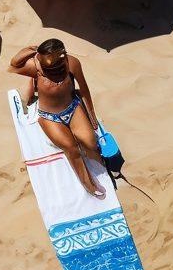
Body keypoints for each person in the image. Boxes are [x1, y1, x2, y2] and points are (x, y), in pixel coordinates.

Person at [9, 39, 105, 199]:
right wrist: (32, 50)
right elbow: (13, 65)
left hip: (72, 109)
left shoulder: (72, 63)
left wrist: (92, 116)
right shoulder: (36, 68)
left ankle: (98, 165)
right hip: (50, 117)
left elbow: (84, 88)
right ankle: (88, 184)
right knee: (72, 148)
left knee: (91, 143)